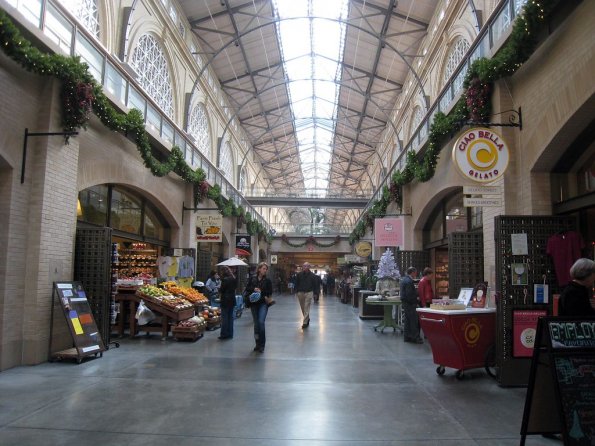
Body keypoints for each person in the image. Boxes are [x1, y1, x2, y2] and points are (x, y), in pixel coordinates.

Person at [244, 262, 274, 353]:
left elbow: (270, 291)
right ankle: (257, 343)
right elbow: (247, 288)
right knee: (256, 325)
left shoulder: (268, 280)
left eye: (266, 269)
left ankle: (262, 345)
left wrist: (262, 291)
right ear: (259, 269)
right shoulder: (252, 278)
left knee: (261, 322)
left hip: (263, 303)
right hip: (254, 303)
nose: (265, 270)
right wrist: (254, 289)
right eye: (264, 268)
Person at [400, 266, 423, 343]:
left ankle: (407, 337)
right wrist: (416, 299)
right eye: (415, 272)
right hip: (410, 304)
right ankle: (415, 337)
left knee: (407, 321)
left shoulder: (404, 280)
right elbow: (409, 294)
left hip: (405, 303)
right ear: (412, 272)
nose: (416, 274)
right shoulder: (409, 281)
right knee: (413, 321)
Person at [295, 262, 318, 329]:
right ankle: (307, 318)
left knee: (306, 307)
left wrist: (316, 293)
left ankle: (305, 322)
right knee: (302, 307)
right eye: (304, 266)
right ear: (302, 267)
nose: (305, 267)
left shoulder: (313, 276)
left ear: (309, 267)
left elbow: (315, 285)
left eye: (307, 266)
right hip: (300, 292)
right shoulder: (299, 275)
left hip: (309, 292)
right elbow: (296, 283)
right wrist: (296, 291)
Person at [218, 266, 237, 340]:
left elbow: (222, 290)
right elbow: (234, 288)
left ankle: (224, 334)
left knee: (224, 318)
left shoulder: (225, 280)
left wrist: (219, 288)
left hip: (225, 300)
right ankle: (230, 333)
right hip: (232, 300)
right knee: (230, 317)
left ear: (223, 272)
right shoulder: (233, 278)